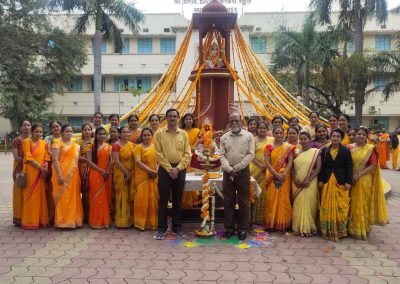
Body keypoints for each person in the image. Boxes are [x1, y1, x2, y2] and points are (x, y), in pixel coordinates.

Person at [154, 109, 191, 240]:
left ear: (178, 118)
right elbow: (158, 153)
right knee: (163, 199)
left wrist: (178, 168)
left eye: (174, 116)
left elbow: (187, 154)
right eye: (169, 116)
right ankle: (161, 228)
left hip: (180, 170)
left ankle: (177, 227)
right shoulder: (159, 133)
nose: (172, 118)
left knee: (177, 199)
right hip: (165, 170)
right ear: (166, 117)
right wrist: (170, 169)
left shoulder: (184, 134)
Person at [347, 127, 389, 240]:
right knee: (351, 203)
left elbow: (373, 165)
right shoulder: (349, 148)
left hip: (365, 180)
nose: (360, 136)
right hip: (350, 179)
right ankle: (352, 228)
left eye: (363, 134)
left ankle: (363, 228)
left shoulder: (370, 148)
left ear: (366, 137)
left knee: (364, 203)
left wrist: (359, 174)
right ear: (355, 135)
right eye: (358, 134)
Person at [220, 112, 255, 240]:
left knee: (243, 201)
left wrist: (237, 167)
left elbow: (250, 154)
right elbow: (221, 155)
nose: (234, 123)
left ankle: (242, 229)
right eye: (231, 121)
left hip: (243, 172)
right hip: (228, 172)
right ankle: (229, 228)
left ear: (241, 121)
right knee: (228, 200)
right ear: (229, 122)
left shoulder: (248, 136)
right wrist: (229, 169)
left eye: (236, 120)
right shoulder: (224, 137)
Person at [318, 129, 353, 241]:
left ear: (341, 138)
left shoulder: (346, 151)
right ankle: (326, 230)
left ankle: (339, 231)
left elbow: (349, 167)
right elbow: (321, 167)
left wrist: (348, 181)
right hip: (327, 182)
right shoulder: (325, 150)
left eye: (338, 136)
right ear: (330, 137)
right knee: (326, 206)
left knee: (340, 208)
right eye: (333, 136)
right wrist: (320, 180)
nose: (335, 138)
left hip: (341, 181)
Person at [51, 124, 83, 229]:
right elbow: (55, 160)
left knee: (73, 198)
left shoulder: (76, 145)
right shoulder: (57, 144)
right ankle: (62, 221)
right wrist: (59, 175)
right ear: (62, 133)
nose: (69, 133)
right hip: (61, 174)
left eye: (70, 131)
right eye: (67, 131)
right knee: (63, 198)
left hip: (73, 175)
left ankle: (74, 221)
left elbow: (76, 161)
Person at [264, 126, 294, 231]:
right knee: (271, 199)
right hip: (272, 176)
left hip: (284, 176)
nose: (279, 135)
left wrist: (284, 173)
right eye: (277, 133)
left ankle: (284, 223)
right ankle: (271, 223)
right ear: (273, 134)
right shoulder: (269, 146)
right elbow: (267, 162)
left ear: (284, 134)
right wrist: (275, 173)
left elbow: (290, 162)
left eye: (281, 133)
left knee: (284, 199)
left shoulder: (288, 147)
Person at [291, 132, 321, 237]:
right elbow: (292, 168)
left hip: (311, 183)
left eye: (305, 139)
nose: (303, 141)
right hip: (297, 183)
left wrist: (309, 180)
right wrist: (294, 179)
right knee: (298, 205)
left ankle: (309, 227)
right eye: (301, 139)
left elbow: (318, 168)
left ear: (309, 139)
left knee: (310, 205)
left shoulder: (316, 152)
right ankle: (297, 227)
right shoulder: (295, 152)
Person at [21, 124, 50, 229]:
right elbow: (28, 157)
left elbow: (47, 157)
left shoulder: (44, 143)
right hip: (30, 173)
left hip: (41, 174)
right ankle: (30, 221)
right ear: (32, 132)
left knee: (40, 197)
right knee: (30, 197)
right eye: (37, 132)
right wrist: (41, 169)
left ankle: (40, 220)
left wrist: (45, 170)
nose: (39, 134)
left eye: (41, 132)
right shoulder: (26, 142)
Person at [133, 128, 159, 230]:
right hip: (142, 177)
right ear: (141, 137)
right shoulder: (138, 147)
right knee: (141, 199)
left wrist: (156, 171)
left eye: (148, 135)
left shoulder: (156, 147)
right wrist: (150, 171)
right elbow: (138, 162)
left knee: (154, 199)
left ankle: (152, 223)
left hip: (154, 176)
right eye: (144, 135)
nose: (147, 137)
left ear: (152, 136)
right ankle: (141, 224)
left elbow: (160, 161)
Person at [87, 127, 112, 229]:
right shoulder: (90, 147)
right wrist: (101, 171)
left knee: (105, 198)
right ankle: (95, 221)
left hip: (106, 174)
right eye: (100, 134)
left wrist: (107, 171)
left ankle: (104, 221)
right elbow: (89, 161)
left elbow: (111, 161)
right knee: (95, 197)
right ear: (96, 135)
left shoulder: (109, 147)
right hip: (95, 173)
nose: (102, 136)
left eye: (104, 134)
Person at [112, 126, 135, 228]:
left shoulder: (134, 145)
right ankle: (122, 221)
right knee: (121, 197)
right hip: (120, 174)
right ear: (120, 134)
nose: (126, 134)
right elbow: (116, 161)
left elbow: (136, 160)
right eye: (124, 132)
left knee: (130, 196)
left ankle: (131, 220)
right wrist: (126, 173)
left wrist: (131, 173)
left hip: (132, 174)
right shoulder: (116, 146)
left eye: (127, 132)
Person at [11, 119, 31, 226]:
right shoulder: (16, 140)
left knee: (29, 192)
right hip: (19, 169)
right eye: (24, 125)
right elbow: (16, 157)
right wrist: (28, 162)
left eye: (28, 125)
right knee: (18, 192)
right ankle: (18, 218)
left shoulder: (34, 139)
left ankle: (28, 216)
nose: (26, 127)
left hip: (32, 169)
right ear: (20, 128)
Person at [249, 121, 270, 225]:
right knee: (254, 193)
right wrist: (261, 166)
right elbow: (251, 156)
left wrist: (267, 166)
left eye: (264, 128)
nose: (262, 130)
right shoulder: (253, 140)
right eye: (260, 128)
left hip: (268, 169)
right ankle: (252, 217)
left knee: (264, 193)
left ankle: (262, 217)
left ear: (267, 129)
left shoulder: (271, 139)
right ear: (257, 129)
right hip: (255, 169)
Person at [181, 113, 201, 209]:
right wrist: (189, 149)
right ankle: (184, 203)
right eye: (186, 119)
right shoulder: (180, 131)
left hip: (193, 158)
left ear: (193, 121)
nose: (188, 121)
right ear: (183, 121)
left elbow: (200, 145)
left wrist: (193, 149)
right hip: (182, 158)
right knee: (184, 180)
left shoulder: (197, 131)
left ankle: (193, 202)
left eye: (190, 119)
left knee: (192, 179)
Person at [44, 121, 63, 225]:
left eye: (57, 126)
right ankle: (52, 216)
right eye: (53, 127)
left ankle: (62, 214)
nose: (56, 128)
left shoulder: (65, 137)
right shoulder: (48, 139)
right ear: (51, 129)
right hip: (52, 167)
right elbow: (47, 152)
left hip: (65, 168)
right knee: (51, 191)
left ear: (60, 127)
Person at [77, 123, 93, 223]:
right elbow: (77, 157)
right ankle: (84, 215)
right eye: (85, 130)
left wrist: (90, 160)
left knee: (92, 191)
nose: (87, 131)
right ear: (82, 131)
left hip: (93, 168)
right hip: (82, 168)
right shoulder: (79, 142)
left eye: (89, 130)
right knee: (83, 190)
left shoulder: (95, 142)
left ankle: (92, 215)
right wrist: (87, 159)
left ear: (91, 131)